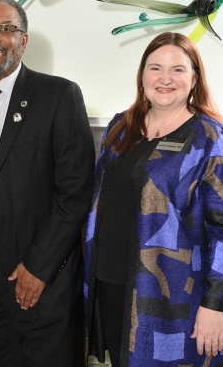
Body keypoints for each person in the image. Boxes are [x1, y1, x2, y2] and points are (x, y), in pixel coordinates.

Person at [0, 0, 95, 367]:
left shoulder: (59, 95)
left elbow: (75, 192)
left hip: (38, 278)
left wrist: (39, 267)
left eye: (6, 28)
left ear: (23, 40)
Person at [84, 32, 223, 367]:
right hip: (112, 284)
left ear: (194, 79)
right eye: (155, 68)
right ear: (142, 75)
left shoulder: (211, 138)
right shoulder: (120, 126)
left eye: (177, 69)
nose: (164, 79)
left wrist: (215, 306)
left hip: (175, 298)